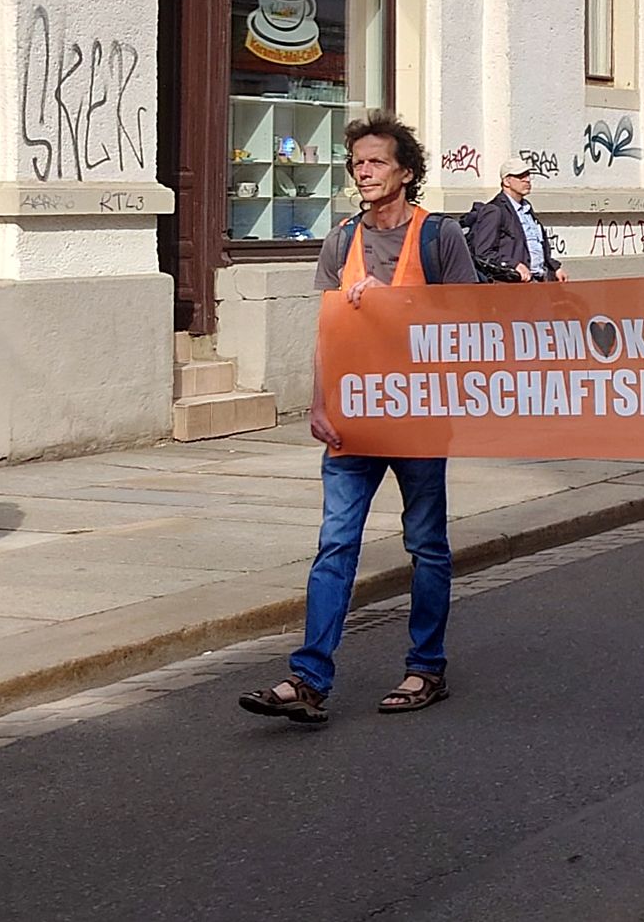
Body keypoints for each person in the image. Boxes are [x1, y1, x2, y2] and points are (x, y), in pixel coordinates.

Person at [239, 110, 478, 724]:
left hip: (420, 415)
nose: (363, 171)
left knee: (426, 545)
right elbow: (329, 334)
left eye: (376, 162)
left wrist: (392, 303)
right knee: (335, 544)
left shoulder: (439, 237)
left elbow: (469, 325)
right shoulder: (341, 239)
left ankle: (425, 667)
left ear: (406, 171)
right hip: (353, 419)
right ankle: (308, 677)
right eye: (358, 162)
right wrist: (318, 403)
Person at [463, 156, 567, 284]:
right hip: (511, 286)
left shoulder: (527, 209)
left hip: (538, 282)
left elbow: (535, 245)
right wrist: (514, 265)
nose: (527, 180)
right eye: (520, 176)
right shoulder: (494, 211)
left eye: (528, 175)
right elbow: (483, 253)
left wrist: (554, 267)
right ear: (507, 181)